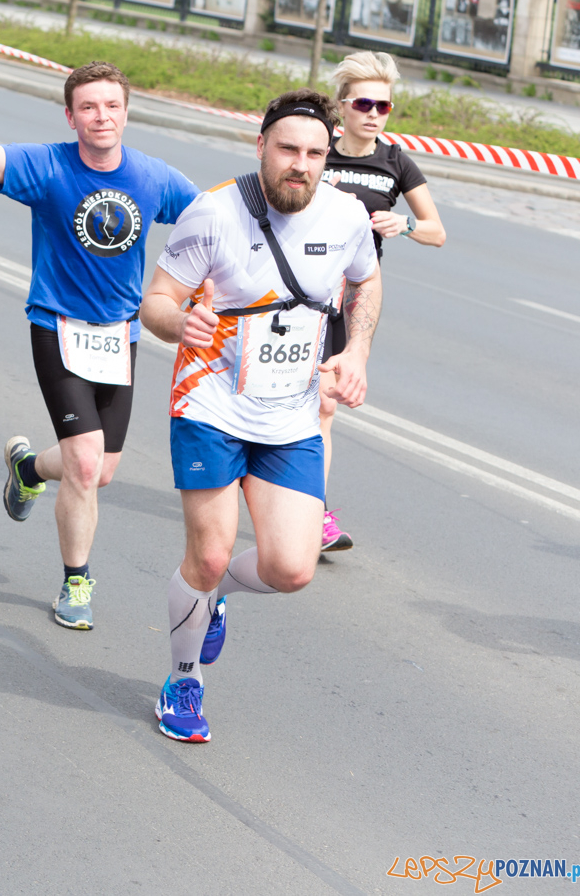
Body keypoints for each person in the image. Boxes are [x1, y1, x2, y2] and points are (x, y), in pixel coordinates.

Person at [138, 89, 382, 743]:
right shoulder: (213, 214)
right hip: (210, 403)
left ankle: (215, 600)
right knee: (211, 551)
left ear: (327, 158)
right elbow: (156, 300)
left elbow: (365, 280)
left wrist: (355, 349)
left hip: (291, 412)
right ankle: (183, 678)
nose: (299, 164)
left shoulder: (346, 217)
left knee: (292, 568)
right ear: (261, 149)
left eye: (314, 154)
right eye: (287, 150)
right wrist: (179, 322)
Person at [0, 38, 199, 629]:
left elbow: (213, 221)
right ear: (70, 116)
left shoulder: (153, 176)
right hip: (56, 326)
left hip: (121, 334)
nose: (101, 117)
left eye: (111, 106)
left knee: (102, 470)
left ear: (126, 112)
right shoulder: (48, 165)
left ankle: (29, 470)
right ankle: (76, 582)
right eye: (88, 107)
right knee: (86, 465)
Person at [315, 51, 446, 553]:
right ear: (343, 106)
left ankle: (314, 512)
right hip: (295, 294)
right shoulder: (318, 151)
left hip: (351, 302)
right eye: (364, 103)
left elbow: (436, 231)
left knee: (325, 405)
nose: (374, 113)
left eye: (384, 107)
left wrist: (405, 225)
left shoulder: (395, 162)